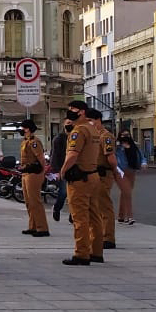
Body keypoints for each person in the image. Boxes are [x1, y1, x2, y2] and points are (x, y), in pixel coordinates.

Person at [59, 100, 103, 266]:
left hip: (80, 179)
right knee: (94, 215)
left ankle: (81, 253)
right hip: (93, 176)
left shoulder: (78, 131)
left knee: (80, 217)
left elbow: (72, 154)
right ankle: (96, 252)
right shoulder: (93, 129)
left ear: (82, 111)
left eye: (73, 109)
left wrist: (63, 170)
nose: (70, 111)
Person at [86, 109, 121, 250]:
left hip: (103, 174)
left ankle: (108, 237)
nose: (89, 123)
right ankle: (99, 235)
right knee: (95, 206)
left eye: (90, 120)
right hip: (93, 174)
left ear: (97, 120)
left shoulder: (105, 136)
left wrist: (115, 171)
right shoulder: (93, 136)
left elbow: (111, 157)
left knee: (104, 205)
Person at [18, 119, 50, 237]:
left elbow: (41, 158)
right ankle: (33, 226)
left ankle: (42, 228)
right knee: (28, 202)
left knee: (35, 201)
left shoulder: (34, 142)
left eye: (23, 128)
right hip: (25, 173)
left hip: (33, 174)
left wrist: (42, 172)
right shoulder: (25, 141)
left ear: (28, 129)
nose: (21, 130)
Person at [115, 131, 146, 224]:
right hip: (120, 172)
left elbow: (142, 156)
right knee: (127, 192)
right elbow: (113, 158)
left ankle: (121, 216)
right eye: (123, 135)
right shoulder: (117, 147)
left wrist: (143, 163)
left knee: (125, 193)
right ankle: (130, 217)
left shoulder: (134, 146)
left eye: (127, 135)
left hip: (132, 171)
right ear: (120, 136)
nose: (125, 136)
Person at [50, 120, 74, 222]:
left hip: (74, 169)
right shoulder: (59, 139)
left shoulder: (76, 137)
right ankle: (57, 208)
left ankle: (72, 215)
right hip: (62, 169)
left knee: (73, 194)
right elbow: (54, 155)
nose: (70, 125)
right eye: (68, 123)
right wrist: (57, 171)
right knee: (64, 192)